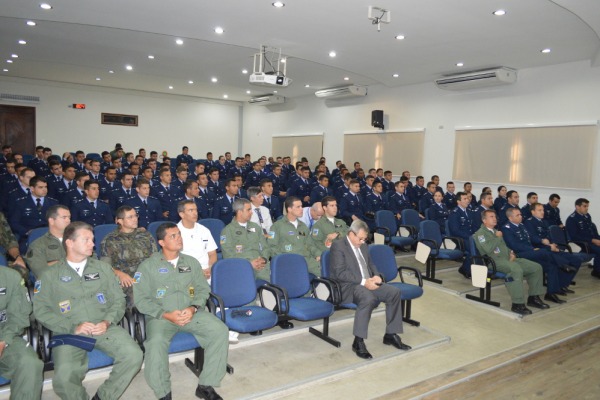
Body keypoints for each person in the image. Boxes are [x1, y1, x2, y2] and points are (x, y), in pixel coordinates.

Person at [33, 221, 143, 399]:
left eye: (92, 239)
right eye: (86, 240)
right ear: (69, 242)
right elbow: (40, 310)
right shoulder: (49, 275)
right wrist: (72, 327)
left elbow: (118, 299)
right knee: (63, 378)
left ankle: (103, 396)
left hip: (103, 325)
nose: (93, 244)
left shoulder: (103, 268)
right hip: (69, 331)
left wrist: (107, 321)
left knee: (134, 355)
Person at [134, 222, 228, 400]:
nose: (179, 239)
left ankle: (206, 385)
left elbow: (202, 289)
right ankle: (163, 392)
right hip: (161, 317)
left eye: (179, 234)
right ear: (161, 242)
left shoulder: (190, 262)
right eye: (173, 236)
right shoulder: (147, 266)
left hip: (191, 313)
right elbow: (141, 299)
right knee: (155, 344)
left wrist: (193, 308)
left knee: (220, 330)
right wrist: (165, 314)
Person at [330, 220, 410, 359]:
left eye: (364, 239)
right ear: (351, 234)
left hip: (368, 282)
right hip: (349, 286)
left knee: (394, 292)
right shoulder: (338, 246)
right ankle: (358, 341)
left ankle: (391, 334)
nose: (362, 242)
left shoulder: (364, 246)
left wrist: (377, 276)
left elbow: (370, 264)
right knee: (368, 298)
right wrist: (364, 282)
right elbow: (340, 273)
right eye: (360, 238)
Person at [473, 210, 549, 315]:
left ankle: (534, 298)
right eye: (491, 217)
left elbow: (504, 247)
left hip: (507, 259)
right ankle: (517, 304)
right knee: (515, 270)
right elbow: (488, 249)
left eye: (495, 216)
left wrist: (511, 253)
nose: (495, 218)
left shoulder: (495, 231)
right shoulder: (480, 234)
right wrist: (498, 237)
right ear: (484, 220)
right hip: (493, 261)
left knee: (536, 267)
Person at [501, 207, 575, 304]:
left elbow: (531, 238)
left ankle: (550, 293)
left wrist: (540, 243)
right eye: (517, 215)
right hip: (518, 255)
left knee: (551, 266)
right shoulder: (506, 228)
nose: (520, 216)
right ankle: (563, 264)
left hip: (530, 253)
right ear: (510, 218)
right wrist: (532, 249)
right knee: (543, 251)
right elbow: (515, 245)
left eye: (520, 214)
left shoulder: (521, 225)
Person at [0, 266, 44, 400]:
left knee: (30, 363)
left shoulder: (10, 277)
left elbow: (18, 316)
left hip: (5, 334)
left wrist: (3, 342)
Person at [100, 205, 157, 308]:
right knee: (139, 298)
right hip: (128, 279)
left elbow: (155, 258)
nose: (135, 219)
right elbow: (105, 267)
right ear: (119, 221)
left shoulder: (145, 235)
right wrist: (120, 274)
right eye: (130, 217)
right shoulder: (110, 240)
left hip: (148, 276)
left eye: (135, 216)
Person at [267, 196, 322, 277]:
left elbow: (310, 245)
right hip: (289, 261)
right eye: (298, 207)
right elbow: (272, 247)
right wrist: (283, 260)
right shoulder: (277, 226)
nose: (301, 209)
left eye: (301, 206)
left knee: (327, 272)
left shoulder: (303, 226)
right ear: (289, 209)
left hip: (306, 259)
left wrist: (318, 254)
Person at [220, 198, 271, 282]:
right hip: (241, 268)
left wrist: (264, 259)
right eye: (248, 210)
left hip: (261, 266)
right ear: (239, 212)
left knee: (272, 288)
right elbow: (228, 255)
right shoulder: (227, 231)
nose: (251, 212)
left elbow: (265, 247)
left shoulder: (256, 227)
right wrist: (248, 263)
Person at [10, 175, 59, 253]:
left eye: (45, 187)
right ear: (32, 188)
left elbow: (58, 221)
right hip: (28, 237)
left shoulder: (53, 203)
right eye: (40, 187)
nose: (44, 190)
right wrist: (26, 232)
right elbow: (14, 222)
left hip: (49, 236)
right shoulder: (21, 203)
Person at [25, 204, 70, 278]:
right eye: (64, 217)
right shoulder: (37, 245)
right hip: (53, 283)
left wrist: (53, 263)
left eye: (69, 217)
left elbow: (92, 261)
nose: (68, 221)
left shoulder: (77, 240)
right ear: (51, 221)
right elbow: (40, 271)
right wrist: (71, 262)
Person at [176, 200, 217, 281]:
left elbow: (212, 253)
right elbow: (174, 262)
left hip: (207, 272)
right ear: (182, 214)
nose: (195, 213)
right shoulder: (174, 232)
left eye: (196, 210)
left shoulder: (204, 230)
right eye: (191, 210)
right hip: (185, 273)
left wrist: (210, 268)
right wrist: (197, 272)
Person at [566, 198, 600, 279]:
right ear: (577, 207)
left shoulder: (587, 216)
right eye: (585, 206)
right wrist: (592, 240)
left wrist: (597, 239)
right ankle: (597, 271)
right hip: (582, 243)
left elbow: (592, 231)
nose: (587, 208)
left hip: (591, 240)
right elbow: (574, 236)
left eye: (587, 206)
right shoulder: (572, 219)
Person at [448, 192, 473, 278]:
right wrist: (470, 237)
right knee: (474, 248)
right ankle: (465, 269)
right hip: (459, 238)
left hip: (469, 236)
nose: (468, 200)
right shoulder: (455, 213)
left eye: (468, 198)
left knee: (484, 245)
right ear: (458, 202)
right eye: (465, 199)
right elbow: (455, 230)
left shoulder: (469, 211)